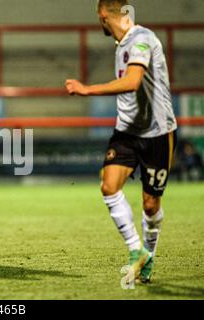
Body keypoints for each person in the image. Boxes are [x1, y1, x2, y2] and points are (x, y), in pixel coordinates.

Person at [65, 0, 177, 285]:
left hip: (157, 133)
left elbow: (133, 81)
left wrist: (86, 89)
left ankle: (148, 258)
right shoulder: (122, 44)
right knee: (109, 186)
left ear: (103, 15)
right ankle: (135, 250)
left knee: (150, 205)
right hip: (126, 132)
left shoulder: (142, 38)